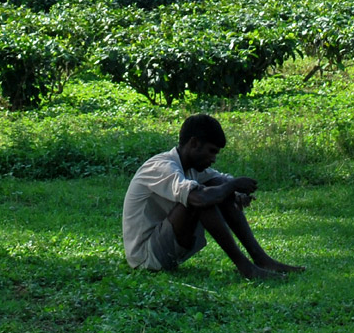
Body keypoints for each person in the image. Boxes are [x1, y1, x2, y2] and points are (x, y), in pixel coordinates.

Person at [121, 113, 303, 280]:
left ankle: (261, 259)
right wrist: (232, 186)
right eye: (211, 151)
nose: (214, 158)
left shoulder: (191, 167)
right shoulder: (161, 167)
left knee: (215, 187)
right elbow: (200, 199)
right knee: (200, 198)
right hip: (146, 257)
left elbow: (220, 180)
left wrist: (236, 192)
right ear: (194, 143)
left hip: (167, 248)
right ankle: (245, 267)